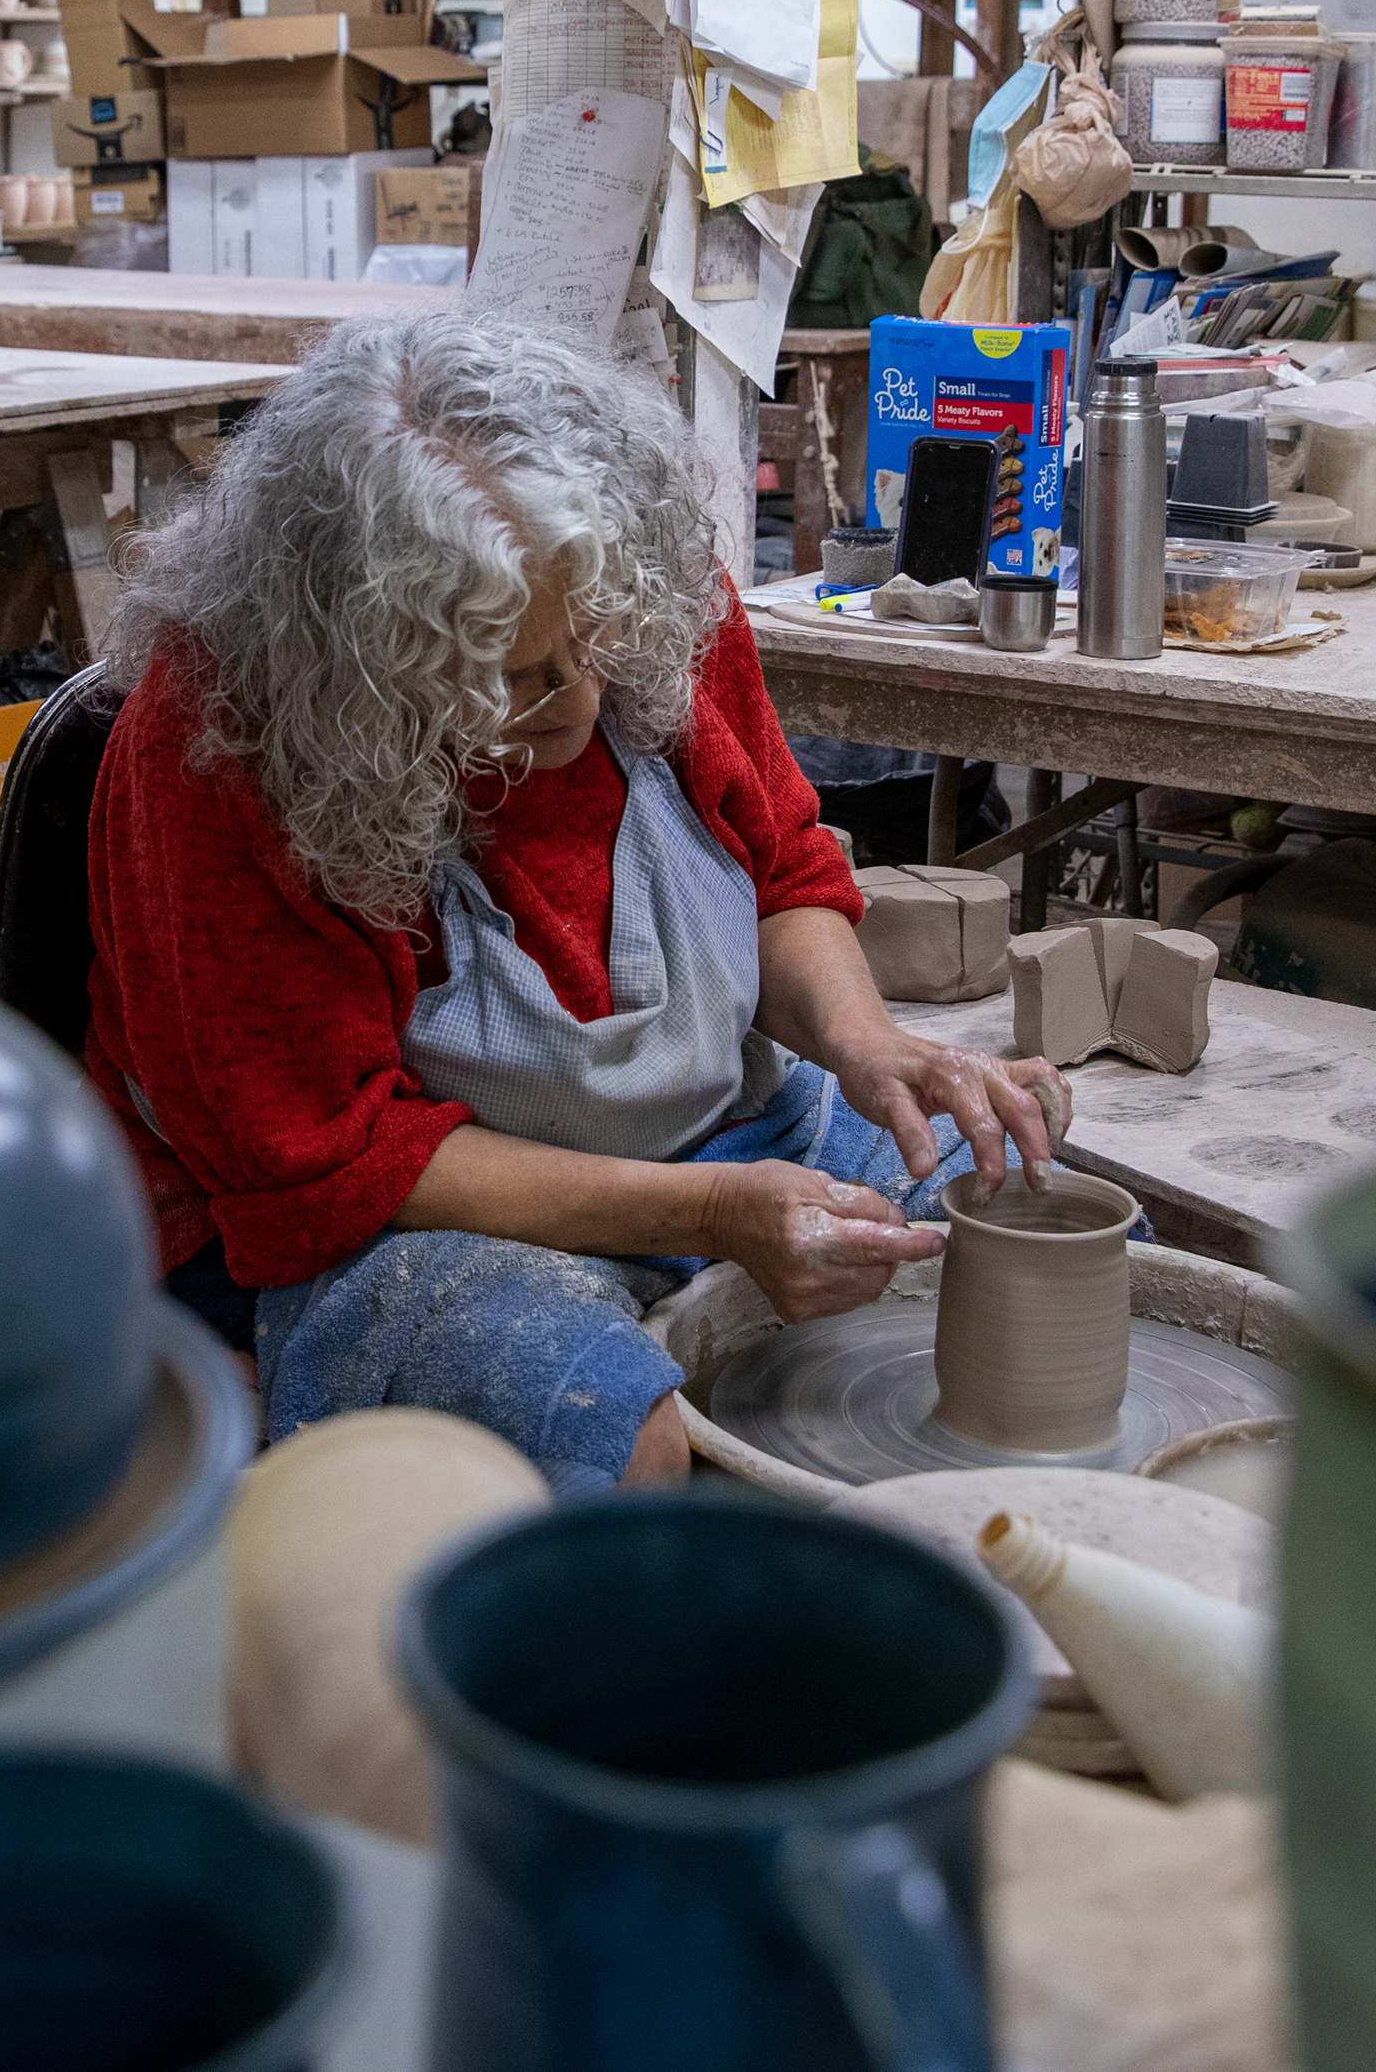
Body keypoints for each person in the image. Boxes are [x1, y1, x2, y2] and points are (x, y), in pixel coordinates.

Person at [82, 314, 1067, 1495]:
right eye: (498, 670)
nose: (575, 696)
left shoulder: (629, 588)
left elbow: (784, 868)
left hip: (721, 1121)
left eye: (584, 636)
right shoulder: (227, 737)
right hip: (395, 1216)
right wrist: (714, 1209)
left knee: (1030, 1223)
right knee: (615, 1438)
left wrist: (870, 1046)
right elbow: (328, 1160)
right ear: (359, 655)